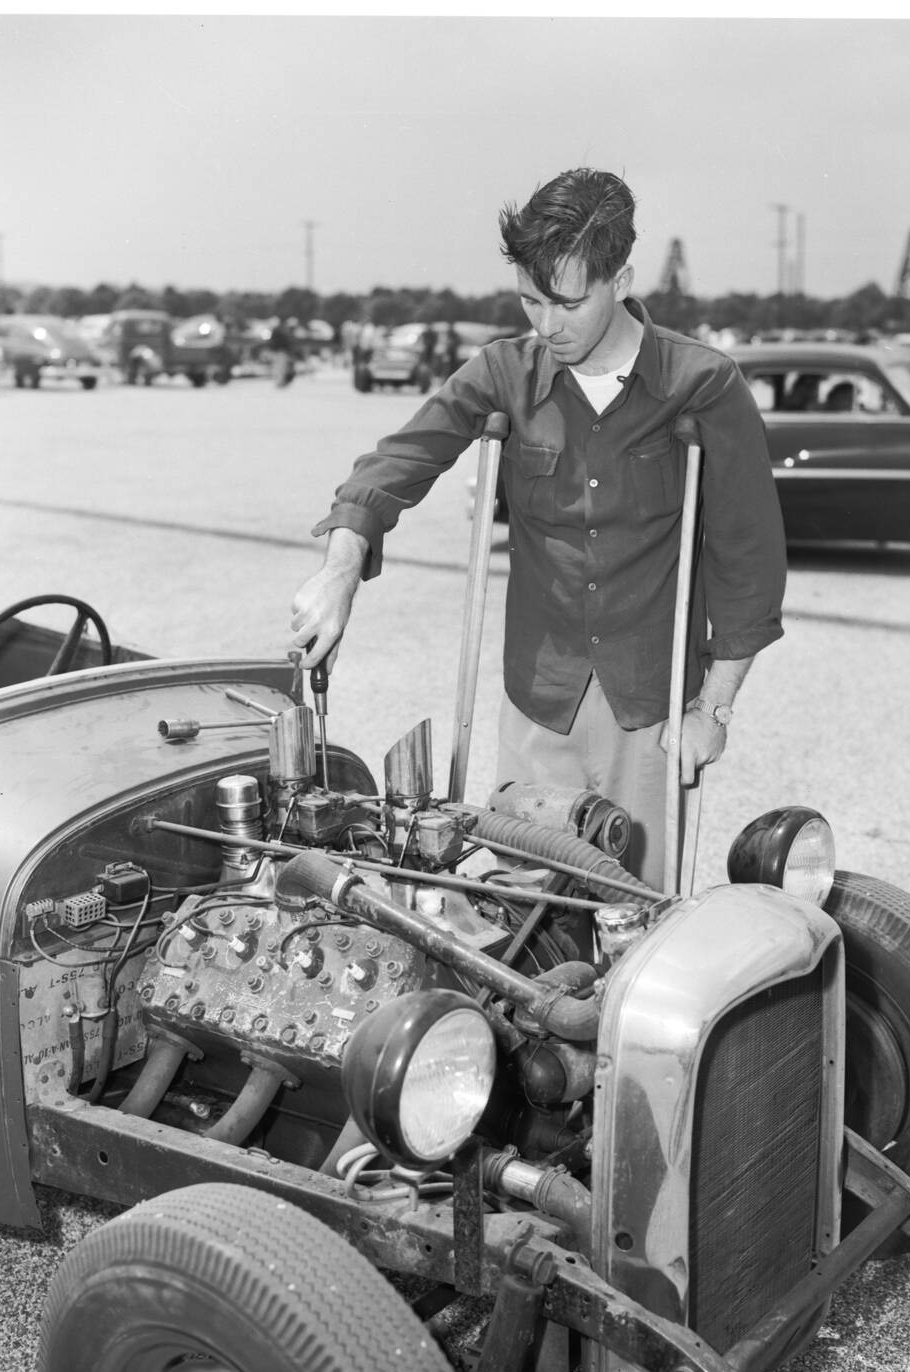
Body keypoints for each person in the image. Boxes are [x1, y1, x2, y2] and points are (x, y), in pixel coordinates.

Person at [290, 167, 785, 890]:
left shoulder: (702, 383)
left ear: (621, 278)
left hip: (649, 708)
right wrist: (340, 569)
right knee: (521, 917)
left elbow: (750, 560)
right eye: (529, 300)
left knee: (634, 916)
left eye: (568, 303)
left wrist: (715, 708)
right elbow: (394, 464)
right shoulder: (503, 372)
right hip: (538, 699)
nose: (546, 326)